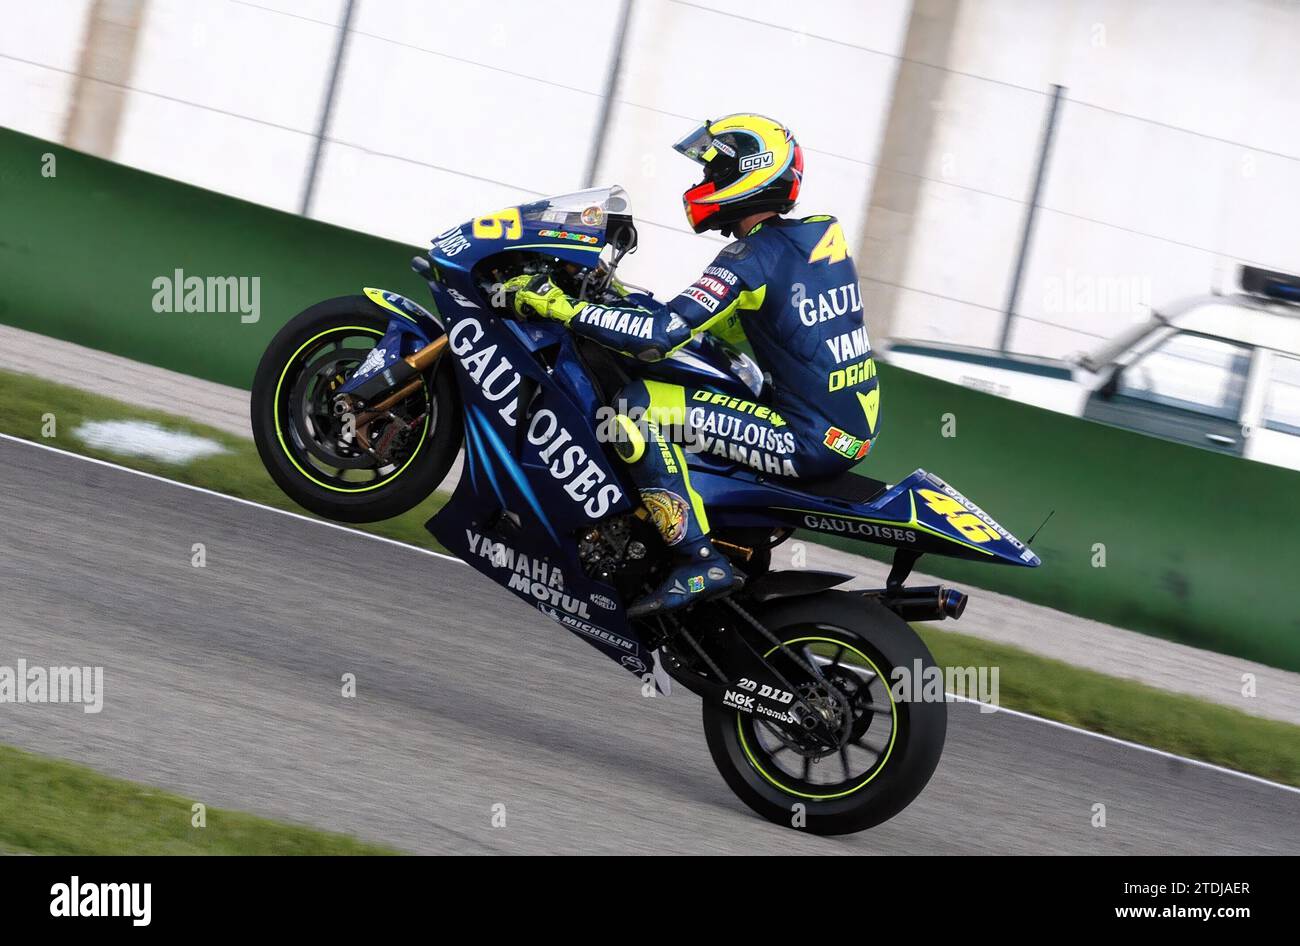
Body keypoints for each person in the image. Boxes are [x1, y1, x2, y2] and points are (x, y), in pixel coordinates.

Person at [503, 113, 879, 617]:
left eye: (713, 172)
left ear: (750, 173)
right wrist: (616, 299)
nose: (702, 184)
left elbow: (659, 339)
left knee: (634, 410)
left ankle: (698, 558)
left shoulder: (749, 258)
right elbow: (720, 322)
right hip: (846, 427)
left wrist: (562, 306)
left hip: (807, 437)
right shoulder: (815, 238)